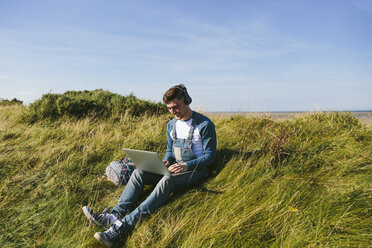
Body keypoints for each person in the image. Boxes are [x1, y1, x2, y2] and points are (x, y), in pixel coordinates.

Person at [82, 84, 217, 247]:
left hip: (197, 171)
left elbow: (210, 156)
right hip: (175, 169)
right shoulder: (171, 125)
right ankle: (113, 217)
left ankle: (121, 228)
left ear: (186, 101)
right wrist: (167, 160)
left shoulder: (204, 124)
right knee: (139, 172)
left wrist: (187, 166)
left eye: (176, 107)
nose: (173, 112)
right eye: (169, 109)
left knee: (167, 181)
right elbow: (170, 150)